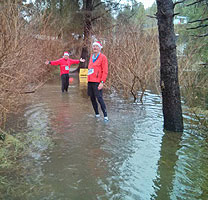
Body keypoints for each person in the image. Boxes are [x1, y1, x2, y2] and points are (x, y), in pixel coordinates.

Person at [88, 41, 108, 121]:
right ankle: (97, 114)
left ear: (100, 48)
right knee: (92, 98)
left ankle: (105, 116)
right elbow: (90, 69)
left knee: (99, 98)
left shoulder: (103, 57)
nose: (95, 48)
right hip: (90, 81)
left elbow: (105, 71)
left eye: (96, 46)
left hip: (97, 81)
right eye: (94, 46)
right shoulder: (91, 56)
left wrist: (102, 82)